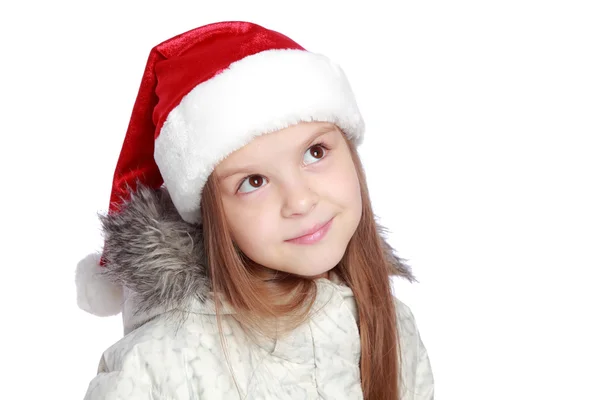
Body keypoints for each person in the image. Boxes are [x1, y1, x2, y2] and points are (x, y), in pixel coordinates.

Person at [75, 21, 434, 400]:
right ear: (210, 216)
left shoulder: (392, 326)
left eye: (315, 152)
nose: (299, 201)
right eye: (253, 182)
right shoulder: (155, 367)